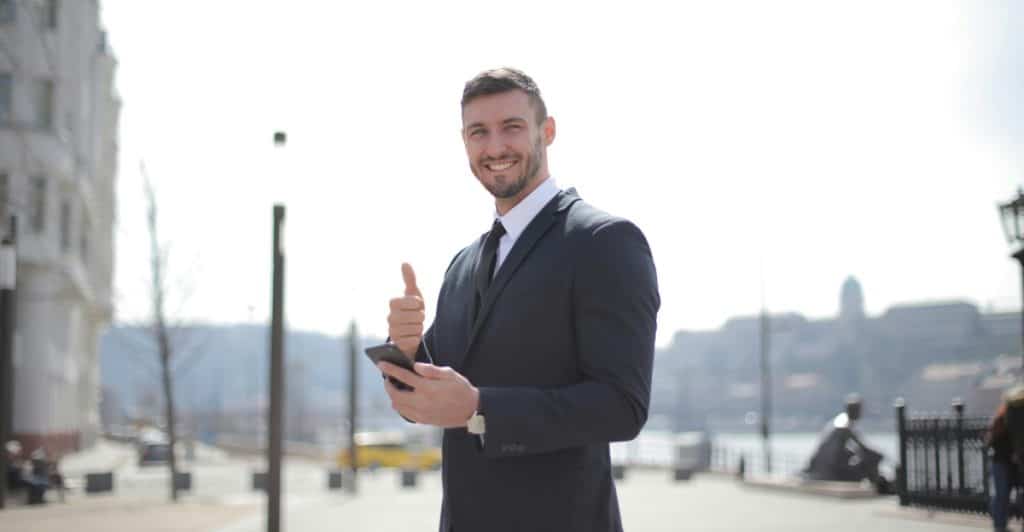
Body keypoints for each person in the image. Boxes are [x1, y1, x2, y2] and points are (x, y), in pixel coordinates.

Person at [379, 67, 660, 532]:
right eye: (478, 133)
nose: (495, 148)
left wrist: (479, 408)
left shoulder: (604, 242)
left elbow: (622, 407)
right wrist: (404, 349)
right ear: (465, 143)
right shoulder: (463, 264)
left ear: (546, 132)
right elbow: (427, 402)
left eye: (511, 127)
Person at [989, 386, 1024, 532]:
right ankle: (1000, 524)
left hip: (1004, 462)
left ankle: (1000, 524)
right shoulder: (1008, 420)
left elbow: (991, 442)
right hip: (1006, 462)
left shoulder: (1003, 419)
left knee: (1002, 495)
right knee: (1006, 494)